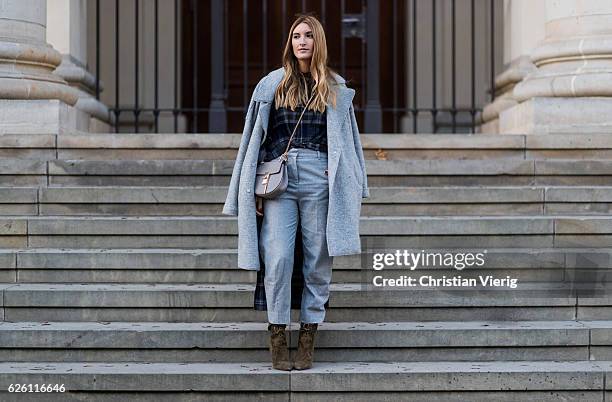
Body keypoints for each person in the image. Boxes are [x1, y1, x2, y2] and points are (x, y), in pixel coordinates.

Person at [222, 13, 369, 371]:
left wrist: (348, 182)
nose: (301, 41)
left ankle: (307, 338)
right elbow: (258, 139)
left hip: (319, 178)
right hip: (280, 181)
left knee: (318, 259)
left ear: (318, 41)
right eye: (296, 36)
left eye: (308, 36)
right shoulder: (272, 84)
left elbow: (347, 142)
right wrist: (253, 188)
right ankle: (276, 336)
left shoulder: (334, 87)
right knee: (278, 258)